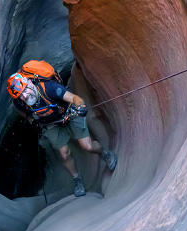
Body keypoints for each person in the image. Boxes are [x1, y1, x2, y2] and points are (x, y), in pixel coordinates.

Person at [7, 65, 116, 198]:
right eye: (20, 95)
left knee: (87, 145)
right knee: (64, 154)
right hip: (50, 124)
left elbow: (75, 98)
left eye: (25, 89)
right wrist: (31, 119)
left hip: (69, 114)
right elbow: (20, 110)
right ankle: (77, 179)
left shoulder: (49, 88)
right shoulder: (20, 102)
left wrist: (80, 107)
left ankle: (105, 154)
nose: (25, 95)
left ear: (29, 82)